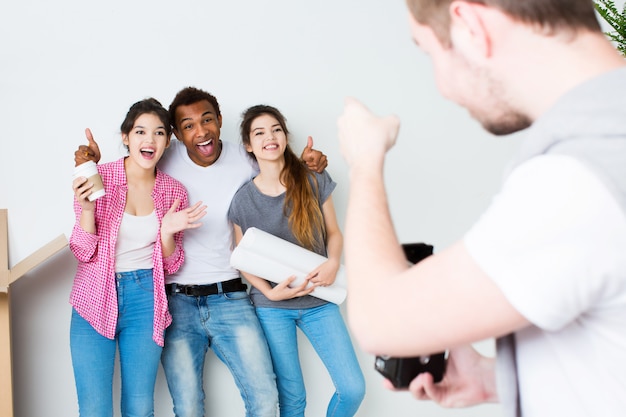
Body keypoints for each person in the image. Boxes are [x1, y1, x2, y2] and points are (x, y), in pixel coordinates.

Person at [336, 1, 626, 417]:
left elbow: (380, 320)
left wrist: (365, 160)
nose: (442, 85)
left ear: (470, 24)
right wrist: (493, 378)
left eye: (428, 50)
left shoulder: (579, 176)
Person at [74, 87, 329, 417]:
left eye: (207, 120)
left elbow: (280, 168)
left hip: (219, 297)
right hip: (157, 298)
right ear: (176, 135)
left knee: (262, 399)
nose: (201, 130)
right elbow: (85, 247)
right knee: (169, 407)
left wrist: (311, 166)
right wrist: (89, 169)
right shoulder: (133, 170)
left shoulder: (231, 163)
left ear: (219, 121)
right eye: (188, 125)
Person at [69, 98, 206, 417]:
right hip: (94, 296)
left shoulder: (174, 191)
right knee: (94, 409)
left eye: (159, 133)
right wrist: (88, 209)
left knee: (140, 406)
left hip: (146, 298)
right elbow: (83, 251)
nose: (150, 140)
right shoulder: (98, 177)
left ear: (168, 141)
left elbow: (172, 265)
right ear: (126, 137)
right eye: (141, 131)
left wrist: (167, 233)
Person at [228, 105, 365, 417]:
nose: (270, 137)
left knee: (352, 388)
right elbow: (242, 257)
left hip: (320, 300)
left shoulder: (313, 180)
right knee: (293, 399)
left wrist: (333, 262)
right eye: (259, 133)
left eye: (276, 129)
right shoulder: (243, 200)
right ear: (249, 145)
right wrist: (271, 292)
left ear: (285, 136)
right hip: (272, 308)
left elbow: (334, 232)